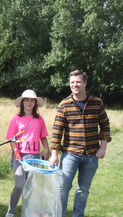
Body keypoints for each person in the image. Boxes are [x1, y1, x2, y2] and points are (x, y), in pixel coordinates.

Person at [49, 70, 111, 217]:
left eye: (77, 82)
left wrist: (103, 148)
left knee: (83, 189)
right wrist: (54, 155)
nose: (74, 85)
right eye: (72, 83)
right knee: (63, 187)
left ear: (85, 83)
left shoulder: (97, 103)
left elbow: (105, 125)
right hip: (70, 153)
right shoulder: (64, 104)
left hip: (91, 154)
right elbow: (57, 130)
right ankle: (59, 215)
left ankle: (78, 215)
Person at [5, 89, 49, 217]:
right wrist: (15, 151)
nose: (29, 103)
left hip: (34, 156)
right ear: (22, 102)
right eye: (27, 100)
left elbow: (43, 136)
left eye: (32, 100)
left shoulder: (39, 119)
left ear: (35, 103)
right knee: (19, 185)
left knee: (31, 186)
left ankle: (29, 211)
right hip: (20, 156)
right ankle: (10, 211)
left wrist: (46, 150)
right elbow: (11, 138)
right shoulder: (16, 119)